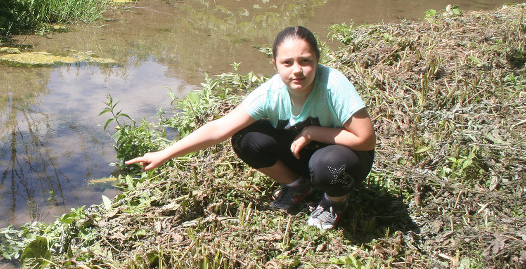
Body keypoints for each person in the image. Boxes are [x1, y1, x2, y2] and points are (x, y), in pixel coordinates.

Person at [125, 26, 376, 231]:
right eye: (287, 62)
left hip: (345, 155)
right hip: (303, 154)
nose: (297, 70)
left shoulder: (333, 84)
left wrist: (312, 133)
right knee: (246, 137)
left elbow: (365, 139)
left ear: (317, 60)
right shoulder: (271, 92)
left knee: (327, 167)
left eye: (305, 61)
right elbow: (220, 128)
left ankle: (335, 201)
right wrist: (164, 154)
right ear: (275, 63)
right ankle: (298, 185)